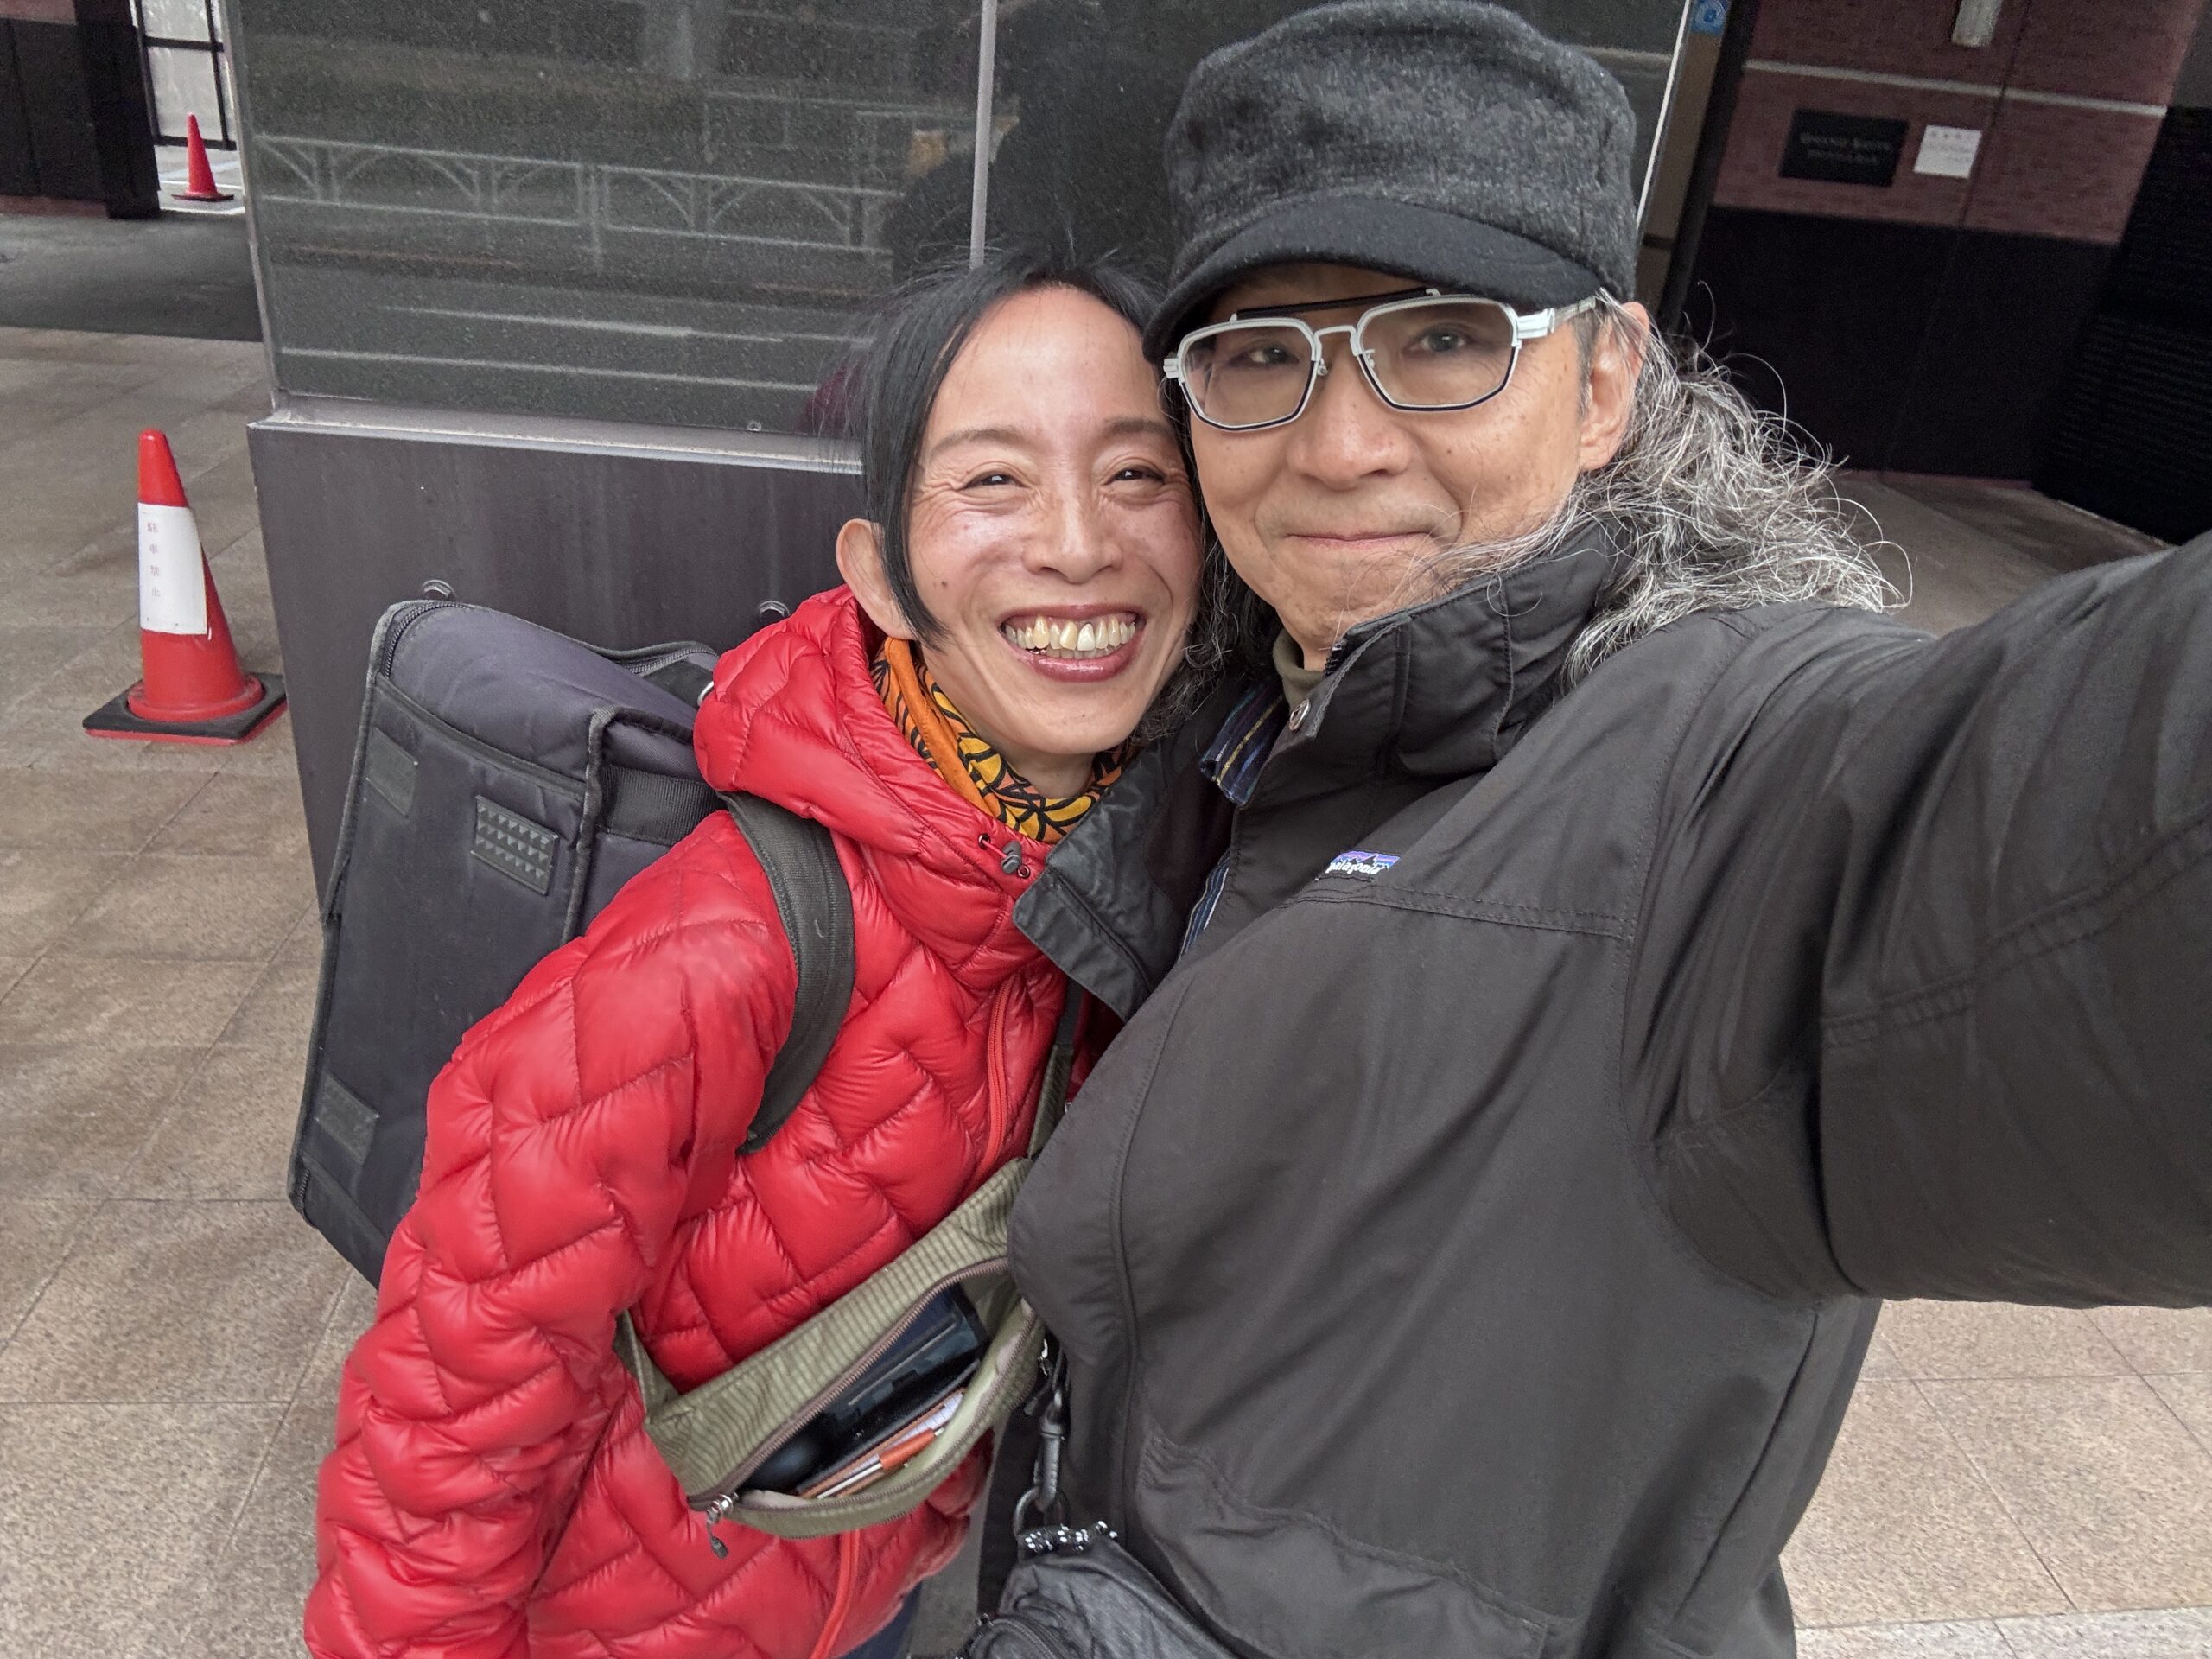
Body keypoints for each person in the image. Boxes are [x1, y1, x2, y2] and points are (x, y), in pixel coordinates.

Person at [999, 4, 2212, 1656]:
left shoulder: (1729, 784)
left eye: (1444, 340)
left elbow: (2072, 822)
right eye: (1262, 357)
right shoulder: (1218, 726)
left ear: (1604, 384)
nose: (1339, 445)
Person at [303, 248, 1205, 1659]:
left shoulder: (1131, 866)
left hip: (873, 1562)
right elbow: (454, 1396)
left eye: (1137, 473)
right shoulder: (729, 945)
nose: (1081, 541)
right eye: (992, 479)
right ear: (881, 574)